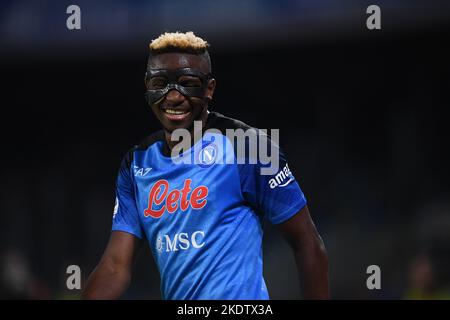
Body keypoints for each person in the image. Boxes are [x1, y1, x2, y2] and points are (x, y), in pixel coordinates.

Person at [82, 31, 329, 300]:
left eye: (187, 83)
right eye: (160, 83)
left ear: (209, 89)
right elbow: (115, 267)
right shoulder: (136, 162)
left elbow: (307, 242)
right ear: (147, 86)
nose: (173, 97)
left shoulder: (249, 147)